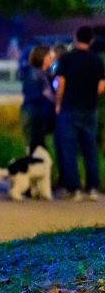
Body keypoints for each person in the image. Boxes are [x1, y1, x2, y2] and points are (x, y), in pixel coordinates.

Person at [54, 26, 105, 201]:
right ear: (91, 40)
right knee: (90, 148)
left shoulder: (67, 58)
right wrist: (90, 96)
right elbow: (101, 85)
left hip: (69, 108)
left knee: (69, 150)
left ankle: (74, 189)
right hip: (90, 109)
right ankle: (92, 188)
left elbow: (61, 82)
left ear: (75, 38)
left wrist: (58, 102)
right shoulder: (97, 60)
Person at [20, 45, 55, 154]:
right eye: (49, 56)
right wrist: (59, 102)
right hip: (35, 113)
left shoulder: (33, 71)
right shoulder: (39, 73)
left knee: (34, 144)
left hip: (31, 111)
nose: (52, 59)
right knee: (36, 146)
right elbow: (47, 93)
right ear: (43, 57)